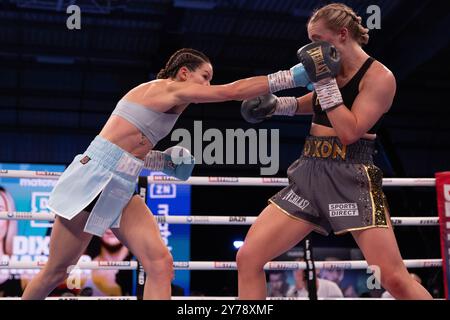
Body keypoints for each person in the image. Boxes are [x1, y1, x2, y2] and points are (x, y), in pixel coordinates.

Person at [21, 48, 313, 300]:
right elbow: (231, 92)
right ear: (184, 73)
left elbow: (127, 151)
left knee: (160, 263)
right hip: (93, 178)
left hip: (121, 185)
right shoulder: (166, 88)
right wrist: (292, 77)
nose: (208, 84)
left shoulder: (166, 103)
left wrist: (163, 162)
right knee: (56, 271)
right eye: (205, 76)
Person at [236, 3, 433, 300]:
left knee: (393, 278)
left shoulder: (380, 78)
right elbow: (316, 102)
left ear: (342, 34)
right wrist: (280, 105)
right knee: (248, 257)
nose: (314, 49)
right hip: (310, 170)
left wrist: (325, 81)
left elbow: (350, 130)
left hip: (350, 174)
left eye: (319, 40)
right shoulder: (331, 69)